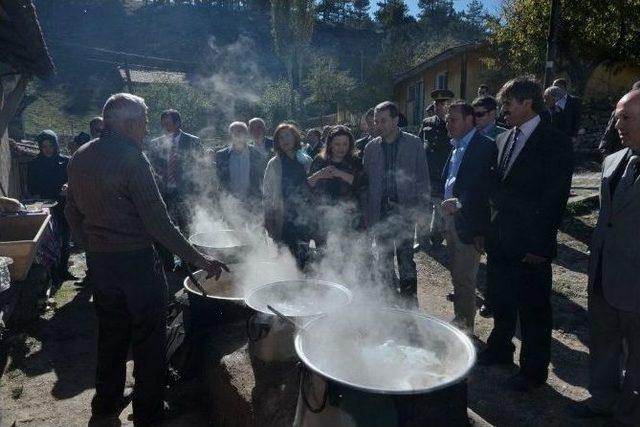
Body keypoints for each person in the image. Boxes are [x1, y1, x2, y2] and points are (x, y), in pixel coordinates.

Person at [64, 93, 227, 426]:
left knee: (111, 335)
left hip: (101, 265)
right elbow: (158, 224)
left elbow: (71, 212)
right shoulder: (132, 158)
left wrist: (92, 245)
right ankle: (148, 412)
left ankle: (105, 407)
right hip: (136, 263)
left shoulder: (80, 156)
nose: (147, 127)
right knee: (149, 338)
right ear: (129, 123)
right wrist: (202, 260)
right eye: (145, 121)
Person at [478, 77, 573, 392]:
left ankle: (532, 372)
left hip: (530, 245)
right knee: (501, 299)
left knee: (533, 310)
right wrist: (487, 230)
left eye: (508, 103)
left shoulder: (554, 141)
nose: (503, 110)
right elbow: (495, 189)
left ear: (527, 103)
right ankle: (500, 349)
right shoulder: (503, 140)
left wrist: (541, 246)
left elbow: (554, 199)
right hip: (501, 240)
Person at [573, 90, 640, 426]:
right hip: (602, 273)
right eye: (616, 116)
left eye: (625, 117)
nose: (617, 124)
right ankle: (602, 401)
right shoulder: (613, 160)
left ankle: (630, 415)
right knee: (603, 345)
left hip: (635, 281)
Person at [363, 101, 430, 306]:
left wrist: (423, 213)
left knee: (406, 260)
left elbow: (422, 179)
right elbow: (366, 185)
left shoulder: (414, 143)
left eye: (383, 120)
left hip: (405, 213)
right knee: (383, 260)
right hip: (380, 213)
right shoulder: (371, 148)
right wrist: (367, 217)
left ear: (395, 120)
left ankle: (410, 305)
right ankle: (389, 304)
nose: (378, 125)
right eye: (376, 121)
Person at [441, 101, 497, 334]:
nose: (448, 123)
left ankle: (465, 333)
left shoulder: (484, 146)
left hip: (469, 224)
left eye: (453, 119)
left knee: (465, 279)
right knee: (457, 275)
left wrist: (462, 205)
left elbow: (487, 189)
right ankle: (461, 320)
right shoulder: (456, 145)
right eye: (447, 119)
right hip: (452, 220)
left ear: (468, 120)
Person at [263, 123, 313, 266]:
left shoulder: (306, 160)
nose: (284, 140)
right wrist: (268, 218)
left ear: (295, 137)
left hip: (304, 219)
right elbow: (267, 194)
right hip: (283, 218)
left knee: (304, 259)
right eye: (280, 137)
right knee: (286, 260)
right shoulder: (274, 164)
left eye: (287, 135)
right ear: (277, 142)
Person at [28, 129, 74, 282]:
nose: (47, 149)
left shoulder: (66, 161)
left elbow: (73, 180)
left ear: (55, 146)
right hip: (44, 208)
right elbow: (31, 188)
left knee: (65, 239)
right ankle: (52, 274)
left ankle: (63, 271)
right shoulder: (34, 165)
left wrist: (68, 186)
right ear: (40, 147)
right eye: (44, 146)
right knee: (48, 242)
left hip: (63, 205)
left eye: (50, 146)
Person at [308, 125, 365, 245]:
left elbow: (361, 183)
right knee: (324, 257)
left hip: (349, 219)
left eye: (345, 144)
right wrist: (319, 175)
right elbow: (308, 184)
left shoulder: (355, 161)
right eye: (337, 144)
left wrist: (339, 173)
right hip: (323, 219)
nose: (341, 148)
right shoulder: (320, 160)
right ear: (330, 145)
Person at [147, 109, 202, 234]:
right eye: (163, 124)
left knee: (188, 229)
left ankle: (189, 253)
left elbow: (200, 169)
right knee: (166, 230)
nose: (165, 127)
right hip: (164, 194)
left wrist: (198, 195)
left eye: (168, 123)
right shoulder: (156, 143)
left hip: (186, 194)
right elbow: (152, 168)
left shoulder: (193, 141)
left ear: (178, 123)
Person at [417, 89, 454, 251]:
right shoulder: (427, 122)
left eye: (443, 104)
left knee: (440, 209)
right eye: (437, 104)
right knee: (423, 207)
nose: (439, 107)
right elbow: (419, 143)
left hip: (444, 174)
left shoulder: (454, 123)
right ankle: (422, 238)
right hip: (426, 173)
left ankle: (437, 238)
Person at [215, 121, 265, 208]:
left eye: (241, 131)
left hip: (253, 204)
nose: (238, 134)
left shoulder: (256, 154)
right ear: (230, 134)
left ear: (246, 134)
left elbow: (262, 179)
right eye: (235, 132)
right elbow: (217, 179)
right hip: (229, 204)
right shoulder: (221, 155)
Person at [598, 80, 640, 157]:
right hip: (621, 156)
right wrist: (608, 159)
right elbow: (607, 138)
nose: (618, 125)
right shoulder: (619, 113)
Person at [552, 78, 582, 143]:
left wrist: (574, 136)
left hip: (568, 136)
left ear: (562, 87)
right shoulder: (550, 100)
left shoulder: (574, 100)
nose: (553, 89)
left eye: (555, 87)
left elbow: (577, 119)